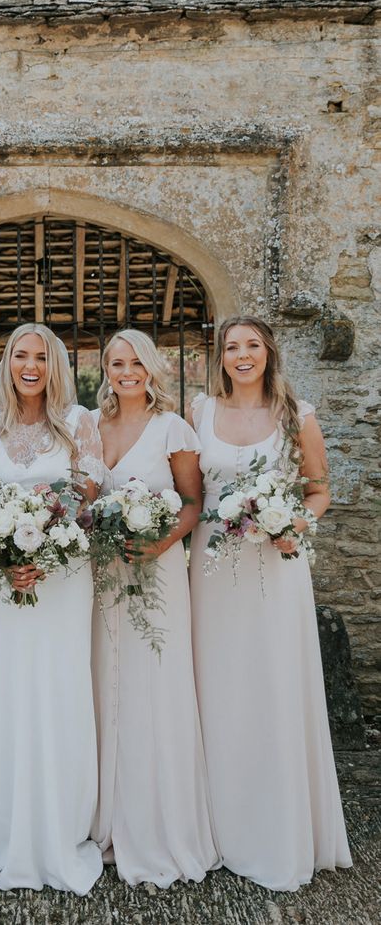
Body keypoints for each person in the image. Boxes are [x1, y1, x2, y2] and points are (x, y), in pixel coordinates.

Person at [189, 315, 352, 890]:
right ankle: (215, 823)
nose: (241, 355)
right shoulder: (199, 413)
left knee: (274, 683)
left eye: (251, 345)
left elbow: (320, 488)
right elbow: (186, 489)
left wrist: (296, 524)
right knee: (217, 683)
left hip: (275, 567)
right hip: (212, 570)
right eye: (231, 347)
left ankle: (276, 826)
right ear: (221, 356)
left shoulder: (296, 415)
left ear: (268, 351)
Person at [0, 323, 104, 892]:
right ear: (6, 363)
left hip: (64, 573)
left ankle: (62, 820)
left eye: (40, 357)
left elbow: (90, 488)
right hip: (6, 579)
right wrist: (4, 556)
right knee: (12, 686)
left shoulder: (78, 422)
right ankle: (8, 820)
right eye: (20, 355)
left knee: (62, 684)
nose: (29, 366)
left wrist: (47, 541)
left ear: (56, 365)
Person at [90, 329, 219, 887]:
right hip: (101, 575)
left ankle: (158, 823)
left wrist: (160, 543)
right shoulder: (90, 427)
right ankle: (105, 820)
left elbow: (193, 504)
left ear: (151, 367)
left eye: (136, 361)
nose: (127, 371)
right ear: (107, 371)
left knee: (153, 684)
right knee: (104, 685)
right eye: (117, 363)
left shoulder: (174, 427)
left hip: (156, 569)